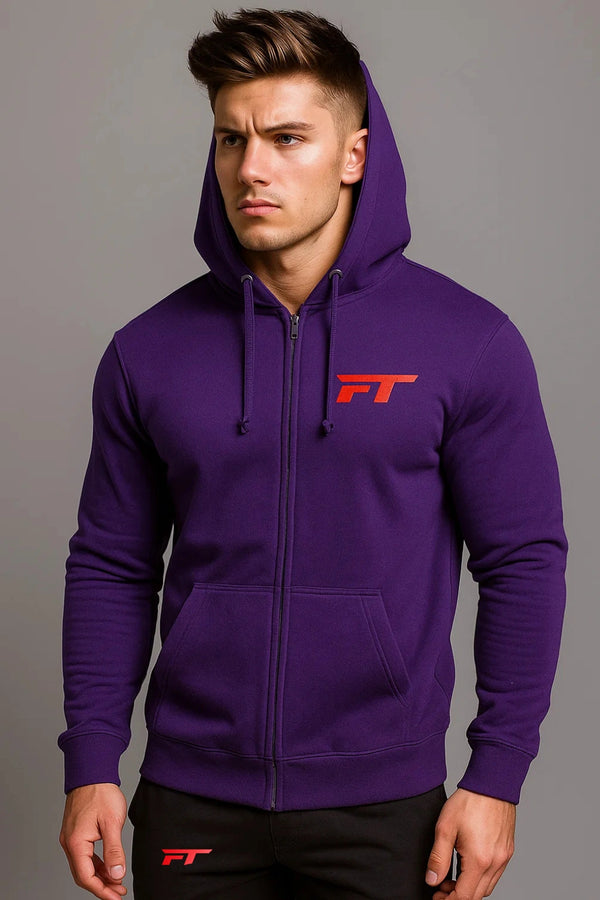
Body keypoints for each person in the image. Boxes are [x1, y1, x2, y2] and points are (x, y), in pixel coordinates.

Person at [57, 8, 568, 900]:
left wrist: (497, 774)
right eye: (232, 139)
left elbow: (523, 562)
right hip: (191, 796)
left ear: (354, 155)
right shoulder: (149, 352)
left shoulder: (466, 343)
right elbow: (112, 563)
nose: (250, 168)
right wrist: (92, 761)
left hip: (385, 802)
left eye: (287, 138)